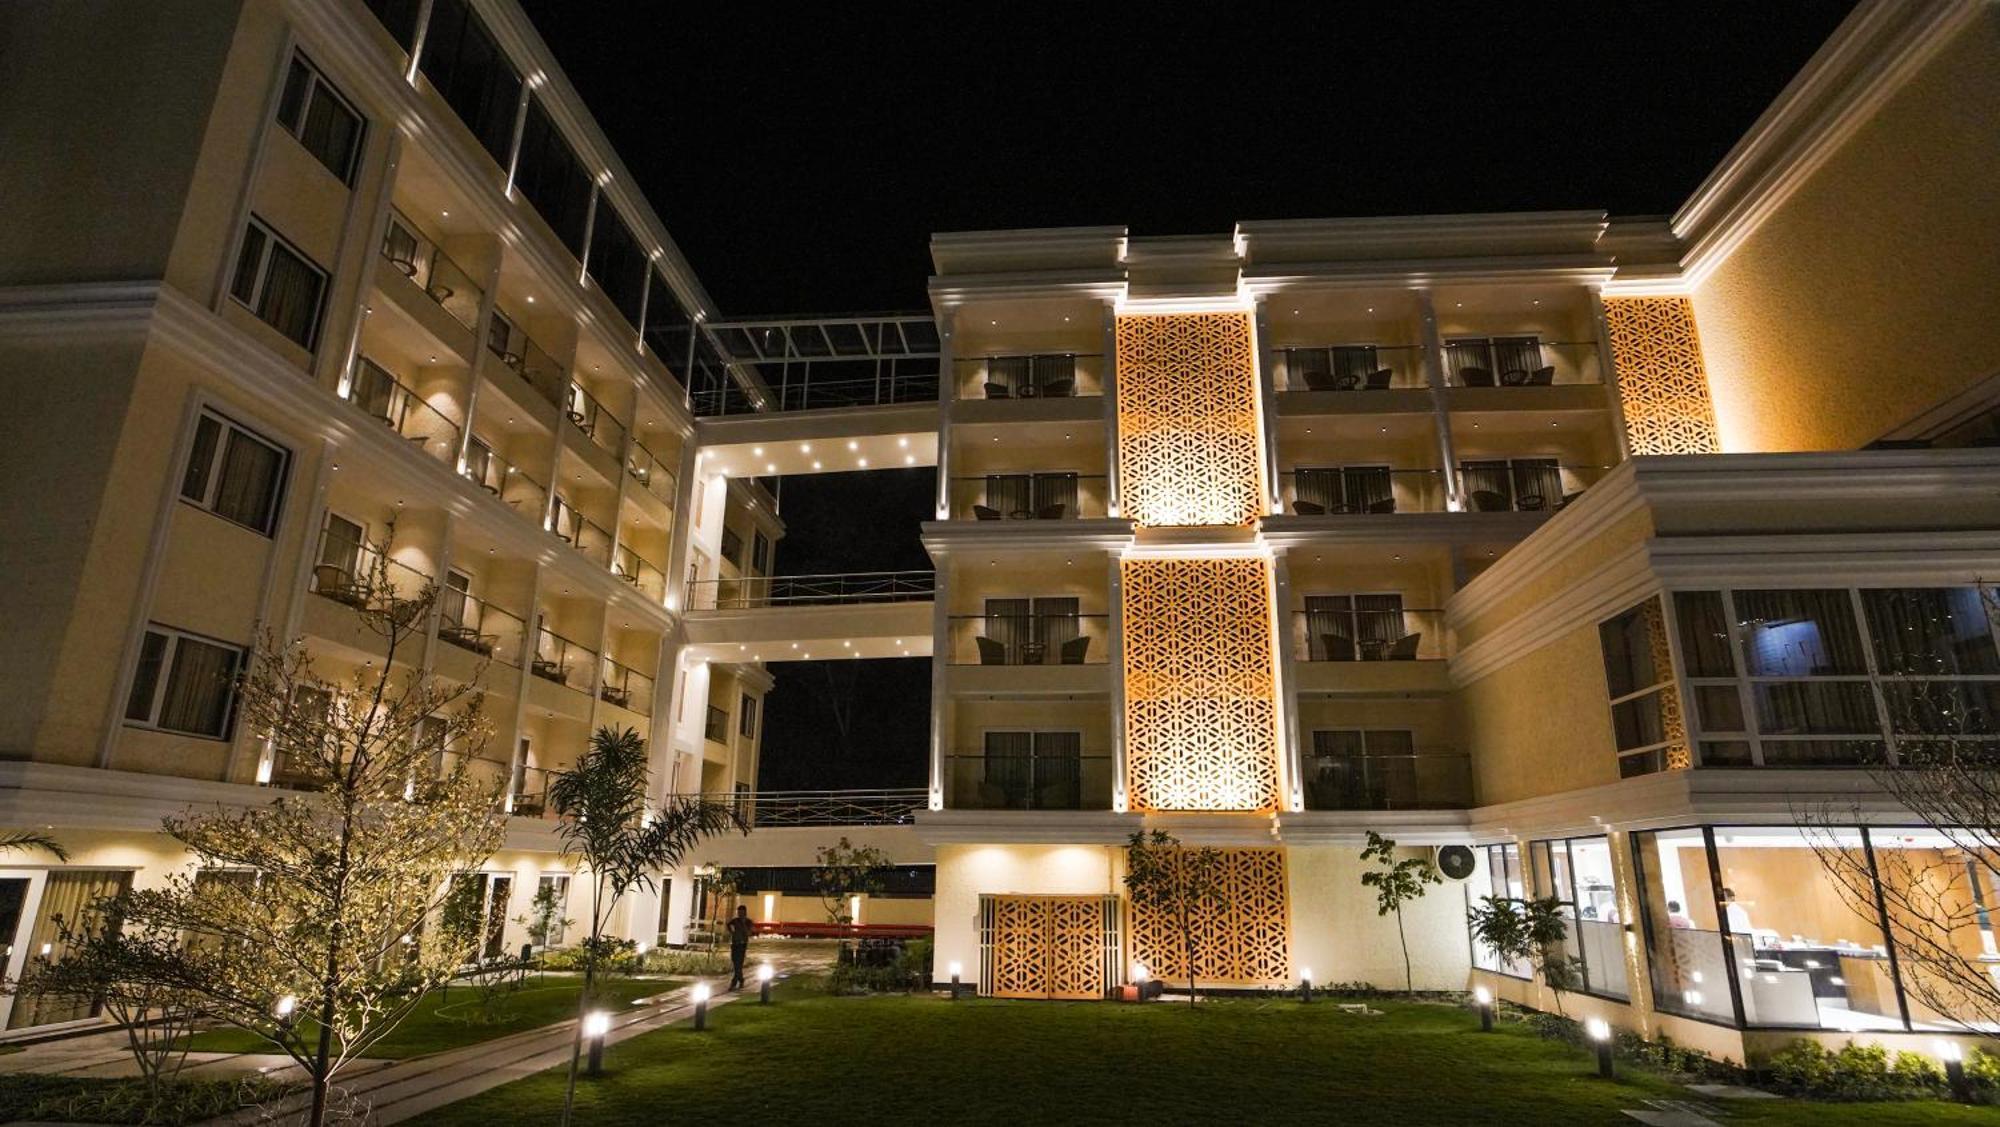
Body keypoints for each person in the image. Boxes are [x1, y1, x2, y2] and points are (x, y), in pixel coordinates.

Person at [726, 904, 754, 990]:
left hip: (742, 944)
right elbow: (728, 925)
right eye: (738, 912)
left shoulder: (748, 921)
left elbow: (749, 932)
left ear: (745, 912)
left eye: (741, 912)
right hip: (735, 943)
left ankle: (734, 982)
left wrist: (743, 924)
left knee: (739, 963)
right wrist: (732, 932)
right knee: (735, 963)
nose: (740, 914)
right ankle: (741, 979)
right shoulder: (735, 921)